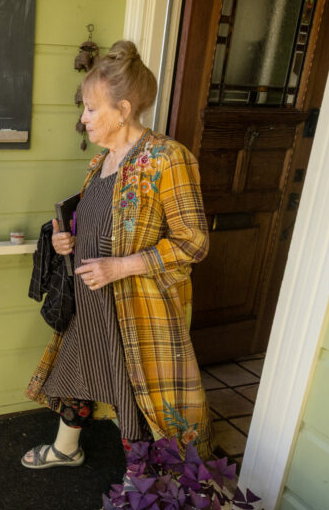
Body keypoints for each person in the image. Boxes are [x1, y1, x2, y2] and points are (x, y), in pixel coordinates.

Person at [22, 40, 211, 467]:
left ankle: (141, 489)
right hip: (89, 304)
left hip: (134, 312)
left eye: (91, 108)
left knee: (135, 399)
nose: (83, 118)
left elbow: (193, 242)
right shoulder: (103, 162)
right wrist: (64, 239)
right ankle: (65, 450)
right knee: (76, 373)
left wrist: (121, 266)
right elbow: (94, 223)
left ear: (122, 109)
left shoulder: (168, 159)